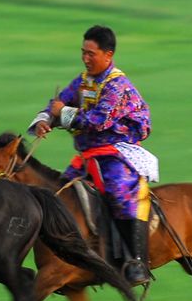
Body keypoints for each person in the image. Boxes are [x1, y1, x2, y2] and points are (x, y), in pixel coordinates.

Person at [30, 25, 157, 284]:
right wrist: (45, 120)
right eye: (83, 52)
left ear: (108, 55)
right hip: (89, 154)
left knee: (119, 194)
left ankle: (136, 263)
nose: (85, 58)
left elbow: (97, 120)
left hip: (115, 154)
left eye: (91, 54)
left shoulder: (117, 85)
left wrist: (62, 112)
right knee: (59, 193)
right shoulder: (83, 80)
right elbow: (56, 105)